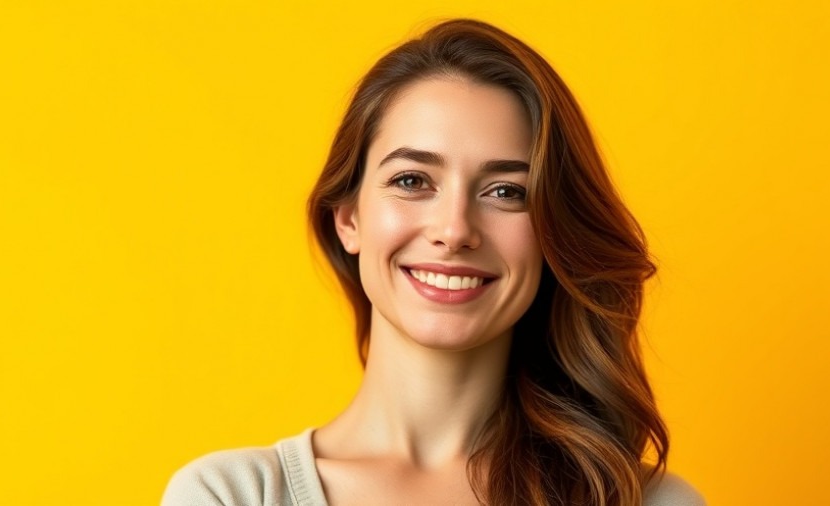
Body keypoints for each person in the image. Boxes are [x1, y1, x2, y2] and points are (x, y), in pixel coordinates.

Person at [162, 18, 705, 506]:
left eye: (505, 192)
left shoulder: (649, 502)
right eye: (412, 181)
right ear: (349, 218)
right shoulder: (230, 495)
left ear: (553, 234)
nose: (454, 230)